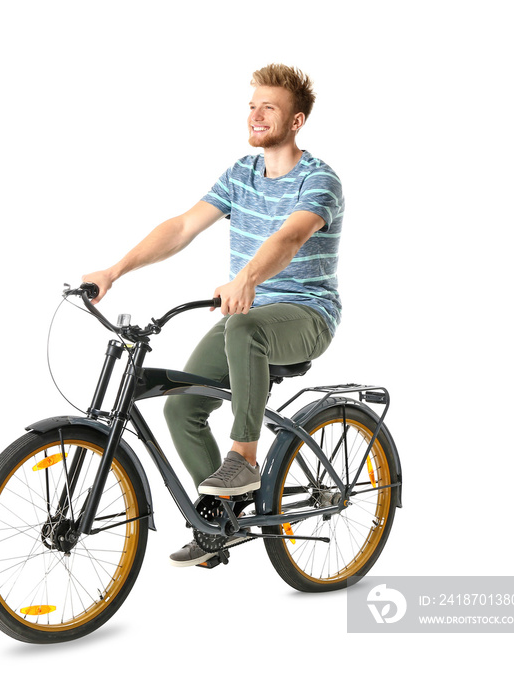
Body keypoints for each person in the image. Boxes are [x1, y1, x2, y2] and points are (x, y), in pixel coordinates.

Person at [82, 64, 344, 566]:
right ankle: (222, 520)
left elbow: (289, 238)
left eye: (269, 106)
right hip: (246, 313)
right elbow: (182, 227)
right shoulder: (240, 174)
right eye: (252, 105)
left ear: (296, 121)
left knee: (243, 326)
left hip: (307, 315)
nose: (256, 114)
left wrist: (248, 277)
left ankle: (242, 461)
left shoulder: (320, 180)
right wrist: (115, 271)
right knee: (181, 405)